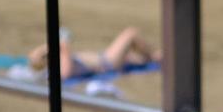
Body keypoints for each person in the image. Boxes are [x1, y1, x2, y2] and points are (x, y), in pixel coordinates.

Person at [27, 26, 158, 81]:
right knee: (130, 34)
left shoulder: (57, 63)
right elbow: (66, 70)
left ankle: (156, 56)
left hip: (105, 58)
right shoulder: (59, 70)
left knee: (140, 58)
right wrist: (54, 46)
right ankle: (154, 56)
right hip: (107, 62)